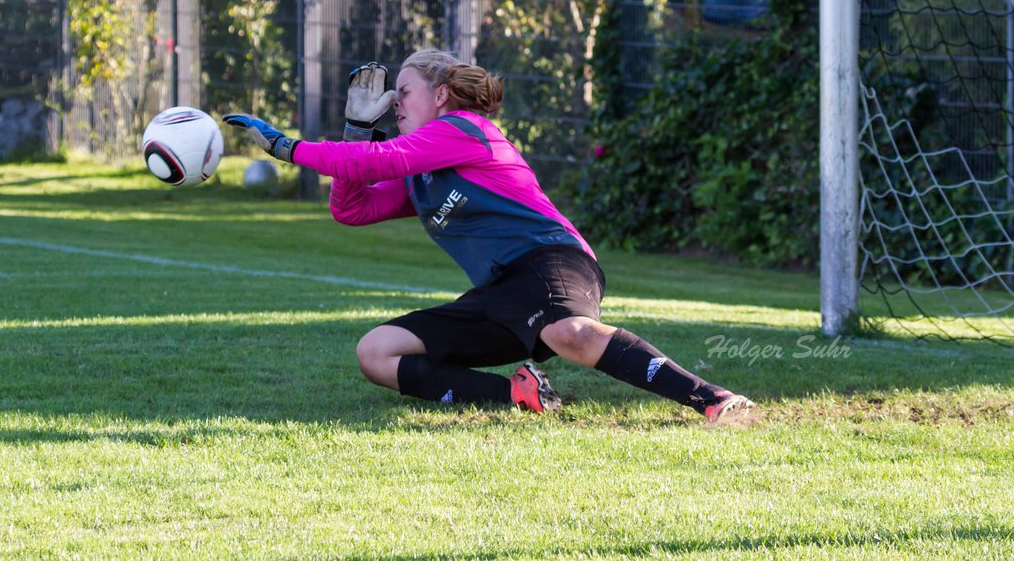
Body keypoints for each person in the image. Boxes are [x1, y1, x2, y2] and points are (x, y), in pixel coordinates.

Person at [225, 50, 754, 422]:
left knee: (569, 334)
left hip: (551, 260)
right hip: (500, 292)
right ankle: (524, 400)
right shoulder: (421, 171)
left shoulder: (466, 130)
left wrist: (286, 147)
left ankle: (712, 398)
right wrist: (354, 133)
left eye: (403, 93)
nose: (393, 104)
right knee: (377, 353)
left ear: (441, 94)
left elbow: (381, 159)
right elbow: (353, 208)